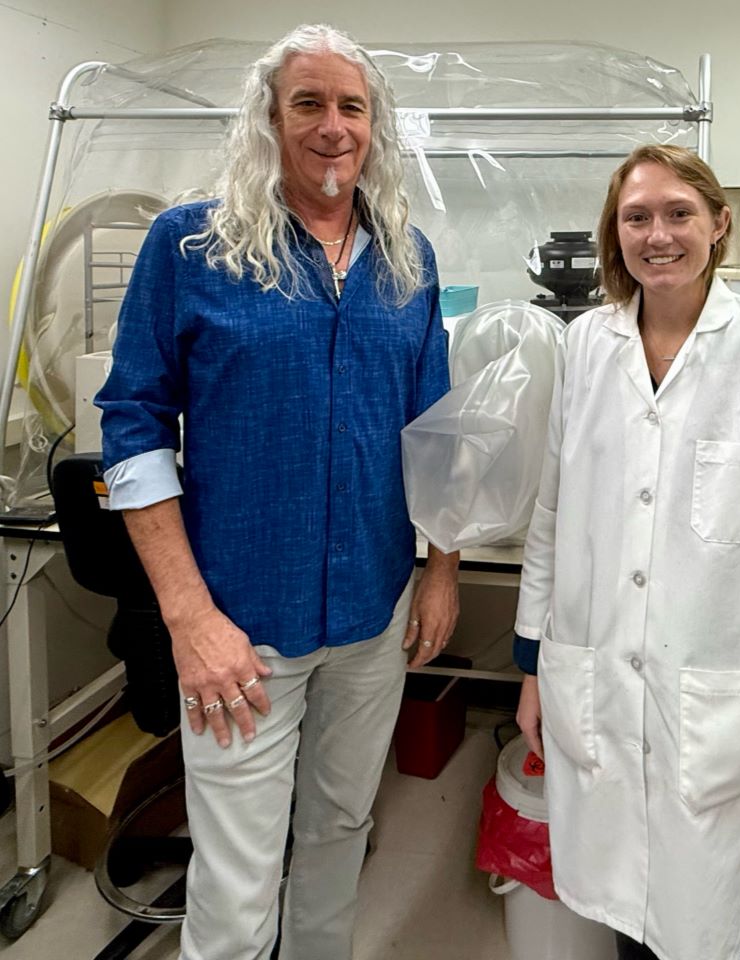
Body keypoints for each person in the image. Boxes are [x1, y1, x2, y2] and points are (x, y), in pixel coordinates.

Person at [95, 24, 459, 960]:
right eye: (309, 103)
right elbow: (131, 423)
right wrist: (187, 618)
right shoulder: (191, 247)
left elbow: (442, 439)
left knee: (341, 831)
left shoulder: (405, 263)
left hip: (373, 618)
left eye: (351, 106)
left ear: (373, 127)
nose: (333, 126)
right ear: (270, 118)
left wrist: (443, 571)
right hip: (239, 628)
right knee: (239, 877)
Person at [513, 144, 740, 960]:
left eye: (677, 215)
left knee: (725, 922)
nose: (657, 235)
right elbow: (554, 515)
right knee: (634, 916)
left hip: (725, 719)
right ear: (614, 232)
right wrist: (533, 667)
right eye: (637, 218)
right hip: (601, 685)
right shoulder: (586, 347)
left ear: (718, 225)